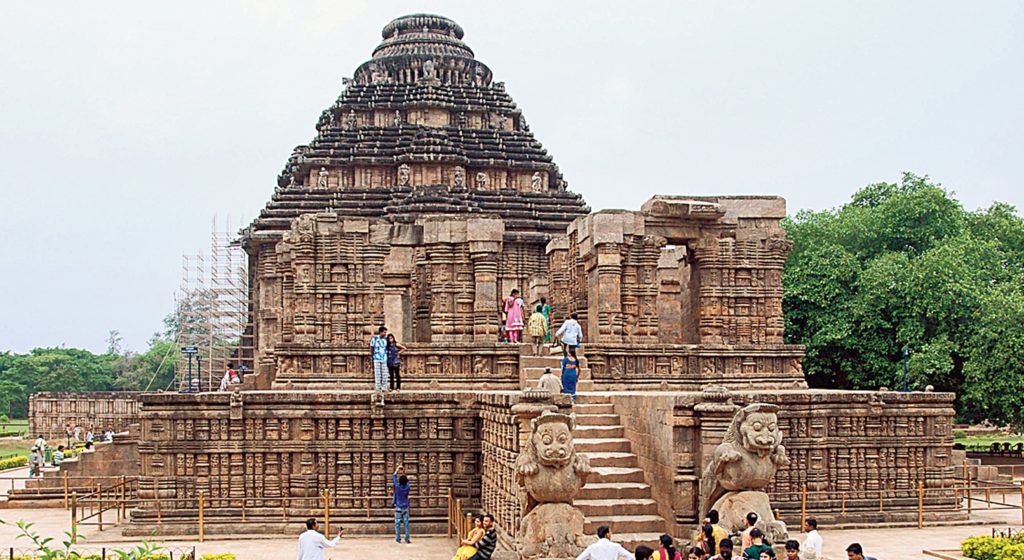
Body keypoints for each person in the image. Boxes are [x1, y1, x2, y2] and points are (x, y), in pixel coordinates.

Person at [393, 465, 411, 543]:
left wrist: (397, 470)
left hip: (398, 507)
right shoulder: (407, 487)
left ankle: (398, 539)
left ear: (399, 481)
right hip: (405, 507)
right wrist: (404, 471)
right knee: (406, 524)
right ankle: (407, 539)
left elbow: (394, 477)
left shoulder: (397, 486)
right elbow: (407, 481)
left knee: (397, 524)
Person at [370, 326, 389, 392]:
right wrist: (373, 355)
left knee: (384, 373)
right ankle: (378, 387)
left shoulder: (386, 339)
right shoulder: (374, 339)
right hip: (376, 358)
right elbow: (371, 347)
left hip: (384, 358)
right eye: (384, 332)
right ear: (380, 332)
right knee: (377, 373)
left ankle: (384, 387)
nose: (385, 333)